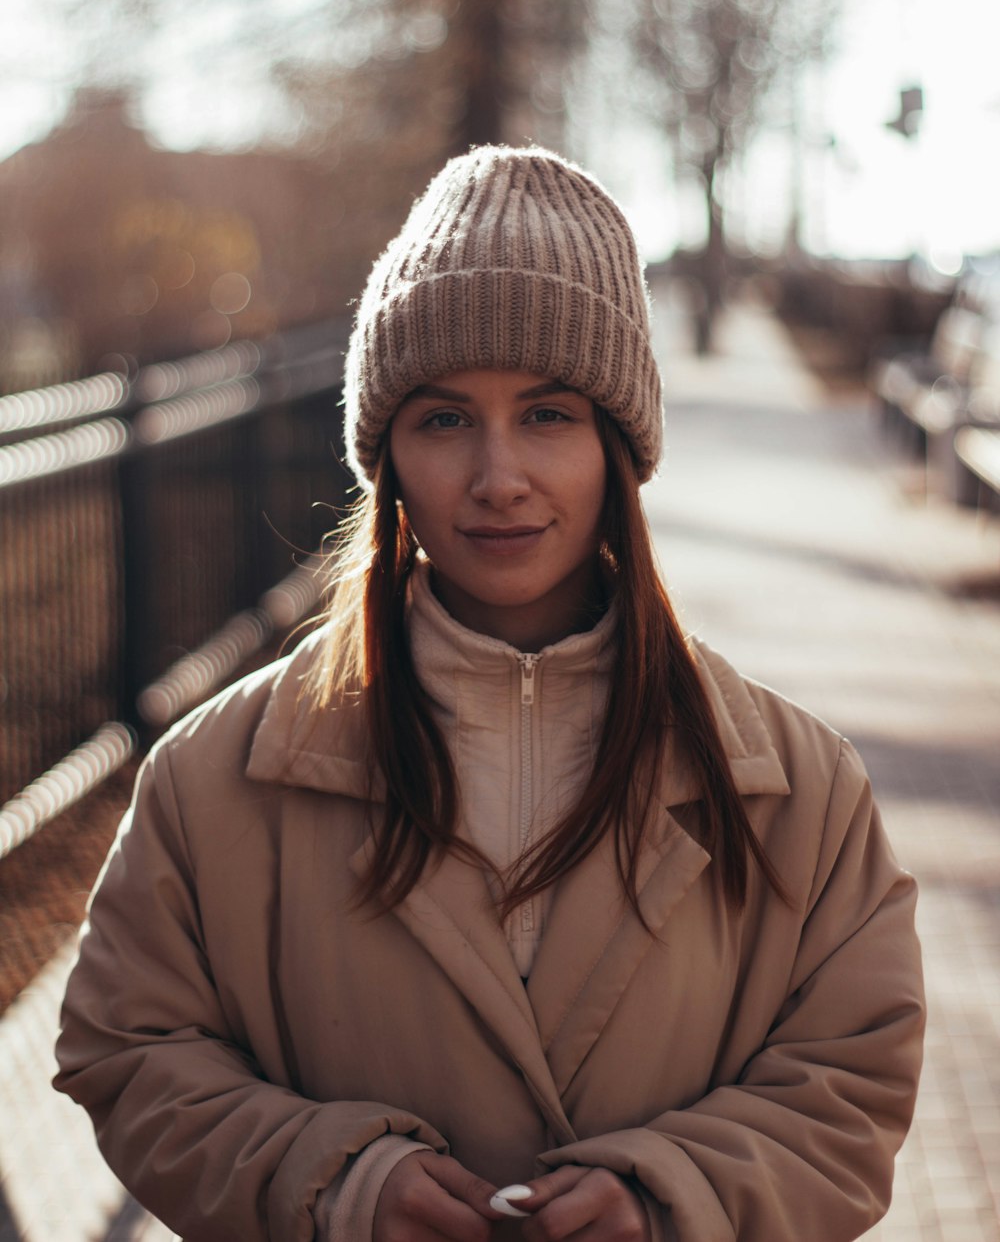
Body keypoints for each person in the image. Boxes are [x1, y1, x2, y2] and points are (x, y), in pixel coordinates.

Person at [54, 145, 925, 1242]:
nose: (498, 477)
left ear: (620, 447)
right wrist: (337, 1188)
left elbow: (851, 1084)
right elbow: (128, 1053)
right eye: (444, 418)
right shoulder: (211, 779)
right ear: (388, 455)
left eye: (549, 414)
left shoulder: (799, 790)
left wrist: (671, 1200)